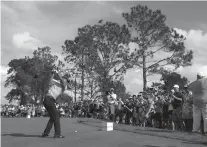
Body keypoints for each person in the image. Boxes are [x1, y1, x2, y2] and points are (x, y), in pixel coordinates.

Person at [41, 69, 66, 138]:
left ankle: (45, 133)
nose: (66, 81)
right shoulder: (56, 82)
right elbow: (50, 81)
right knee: (56, 117)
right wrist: (53, 74)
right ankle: (57, 134)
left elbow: (62, 80)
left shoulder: (63, 86)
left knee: (53, 118)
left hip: (49, 100)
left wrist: (57, 73)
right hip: (48, 99)